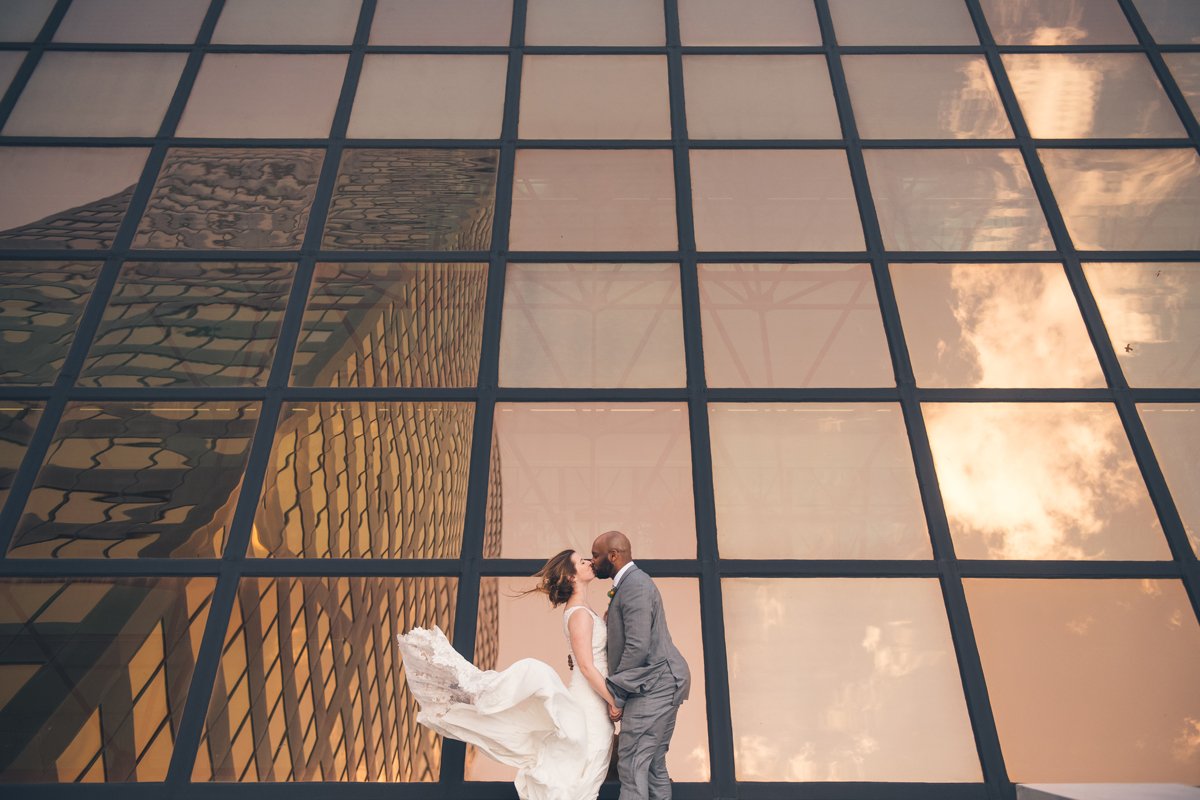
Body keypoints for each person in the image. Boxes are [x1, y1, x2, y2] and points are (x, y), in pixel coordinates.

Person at [396, 550, 614, 800]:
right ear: (570, 576)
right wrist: (613, 699)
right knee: (581, 774)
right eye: (581, 561)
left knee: (588, 772)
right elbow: (586, 666)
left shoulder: (584, 611)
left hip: (593, 699)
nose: (589, 562)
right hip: (590, 702)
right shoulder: (579, 615)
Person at [591, 530, 690, 800]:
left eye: (596, 555)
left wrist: (617, 697)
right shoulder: (630, 585)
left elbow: (637, 646)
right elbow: (627, 643)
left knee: (632, 763)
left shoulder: (635, 585)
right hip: (660, 682)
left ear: (613, 556)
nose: (592, 562)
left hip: (655, 684)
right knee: (653, 765)